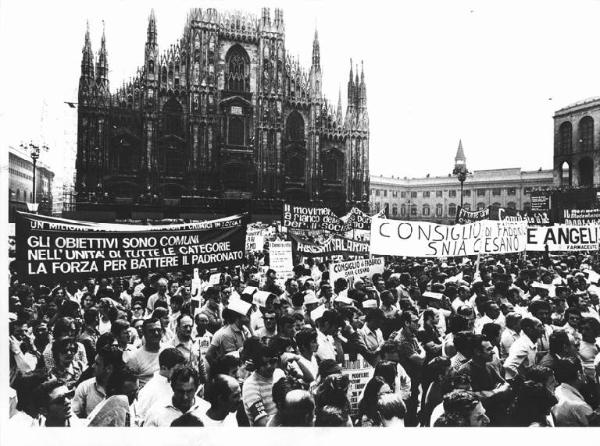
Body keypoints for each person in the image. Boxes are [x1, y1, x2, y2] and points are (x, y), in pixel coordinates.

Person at [241, 341, 286, 426]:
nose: (269, 366)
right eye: (264, 363)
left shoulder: (279, 373)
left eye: (272, 361)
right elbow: (263, 424)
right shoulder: (250, 385)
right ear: (257, 363)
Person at [72, 345, 124, 418]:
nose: (93, 366)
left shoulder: (123, 389)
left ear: (109, 368)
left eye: (97, 364)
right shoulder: (85, 387)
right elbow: (75, 416)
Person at [136, 348, 186, 421]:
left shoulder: (177, 383)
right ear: (164, 368)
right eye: (177, 370)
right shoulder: (150, 390)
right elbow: (139, 419)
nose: (180, 374)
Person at [552, 357, 598, 426]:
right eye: (584, 370)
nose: (585, 374)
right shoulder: (580, 406)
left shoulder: (556, 391)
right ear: (579, 374)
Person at [205, 300, 252, 367]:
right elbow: (232, 359)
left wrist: (250, 327)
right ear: (237, 317)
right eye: (246, 313)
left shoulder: (244, 329)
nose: (249, 315)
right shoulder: (226, 333)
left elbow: (253, 345)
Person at [125, 318, 164, 388]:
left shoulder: (169, 350)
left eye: (158, 330)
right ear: (144, 333)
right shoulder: (134, 358)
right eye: (151, 331)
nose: (156, 333)